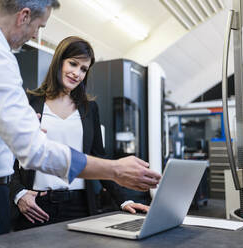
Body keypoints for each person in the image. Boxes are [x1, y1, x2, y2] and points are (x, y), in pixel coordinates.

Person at [0, 0, 161, 247]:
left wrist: (19, 127)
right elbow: (34, 151)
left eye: (83, 69)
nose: (36, 34)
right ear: (24, 16)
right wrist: (115, 170)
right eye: (39, 26)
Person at [10, 36, 149, 231]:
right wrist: (18, 194)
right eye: (73, 64)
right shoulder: (29, 102)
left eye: (83, 69)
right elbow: (8, 155)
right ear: (59, 61)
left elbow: (98, 158)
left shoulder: (89, 108)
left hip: (80, 205)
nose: (77, 73)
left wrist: (124, 200)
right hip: (36, 204)